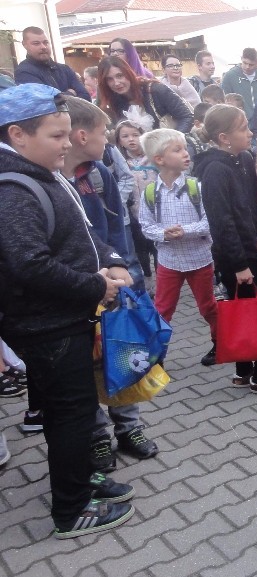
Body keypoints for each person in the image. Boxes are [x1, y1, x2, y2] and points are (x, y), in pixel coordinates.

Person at [0, 83, 136, 538]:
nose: (66, 144)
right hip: (46, 325)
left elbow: (79, 230)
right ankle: (72, 509)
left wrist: (111, 259)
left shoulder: (42, 173)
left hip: (62, 317)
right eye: (56, 136)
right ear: (18, 135)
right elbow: (29, 264)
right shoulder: (13, 188)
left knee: (74, 411)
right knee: (71, 413)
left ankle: (83, 479)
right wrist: (96, 286)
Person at [59, 98, 154, 473]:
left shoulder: (99, 173)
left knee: (121, 354)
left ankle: (129, 428)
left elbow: (117, 228)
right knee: (86, 365)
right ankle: (97, 436)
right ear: (82, 136)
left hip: (113, 285)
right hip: (78, 288)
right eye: (104, 134)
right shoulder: (50, 179)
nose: (109, 141)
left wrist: (125, 271)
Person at [191, 105, 257, 396]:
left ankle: (244, 369)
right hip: (238, 259)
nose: (250, 133)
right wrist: (238, 265)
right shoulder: (215, 170)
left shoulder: (245, 158)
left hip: (254, 249)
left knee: (249, 310)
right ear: (224, 137)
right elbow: (221, 222)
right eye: (243, 128)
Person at [137, 129, 218, 366]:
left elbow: (209, 222)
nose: (185, 153)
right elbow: (145, 226)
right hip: (169, 261)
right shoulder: (150, 193)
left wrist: (186, 231)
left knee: (208, 306)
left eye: (185, 148)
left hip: (199, 259)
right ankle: (156, 355)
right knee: (162, 309)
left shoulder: (196, 187)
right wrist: (163, 234)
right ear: (159, 159)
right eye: (177, 150)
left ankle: (220, 342)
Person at [97, 56, 193, 133]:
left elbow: (187, 116)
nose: (116, 83)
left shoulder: (156, 90)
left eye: (119, 76)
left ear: (128, 73)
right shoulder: (114, 102)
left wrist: (173, 141)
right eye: (109, 79)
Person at [115, 119, 158, 278]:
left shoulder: (153, 158)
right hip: (132, 211)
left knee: (157, 245)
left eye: (135, 135)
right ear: (119, 140)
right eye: (125, 136)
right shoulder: (120, 162)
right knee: (140, 246)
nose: (131, 139)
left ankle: (161, 275)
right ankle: (146, 274)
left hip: (155, 209)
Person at [15, 27, 89, 98]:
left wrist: (60, 97)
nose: (43, 47)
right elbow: (43, 102)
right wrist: (71, 94)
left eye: (46, 42)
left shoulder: (64, 69)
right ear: (24, 45)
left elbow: (86, 97)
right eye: (36, 43)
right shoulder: (24, 72)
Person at [220, 48, 257, 121]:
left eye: (251, 64)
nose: (247, 67)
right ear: (241, 59)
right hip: (239, 120)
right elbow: (224, 101)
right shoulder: (230, 76)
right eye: (245, 63)